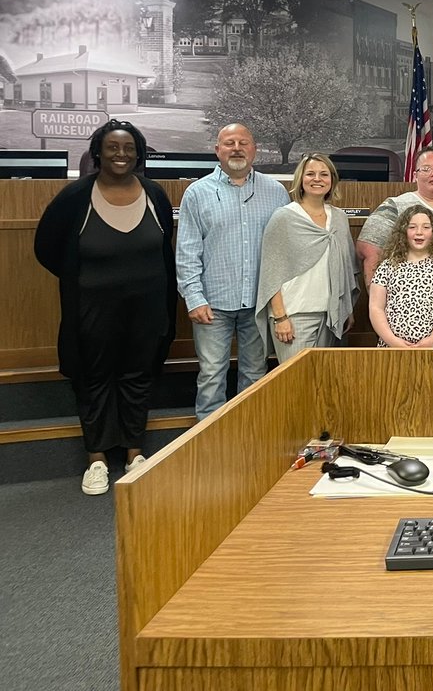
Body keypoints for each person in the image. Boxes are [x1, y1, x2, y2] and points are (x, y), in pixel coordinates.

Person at [34, 120, 177, 495]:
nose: (121, 154)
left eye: (129, 148)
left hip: (147, 308)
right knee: (93, 379)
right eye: (113, 147)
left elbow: (164, 247)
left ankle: (134, 454)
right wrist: (81, 278)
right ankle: (96, 459)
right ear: (97, 152)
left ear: (139, 153)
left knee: (138, 376)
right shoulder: (76, 196)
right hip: (92, 308)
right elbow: (46, 248)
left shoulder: (154, 194)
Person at [177, 123, 289, 421]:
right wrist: (194, 298)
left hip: (258, 303)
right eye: (229, 143)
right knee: (212, 375)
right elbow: (187, 252)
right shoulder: (197, 193)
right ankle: (210, 441)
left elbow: (284, 250)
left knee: (255, 374)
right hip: (212, 304)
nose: (237, 148)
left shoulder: (276, 192)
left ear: (254, 149)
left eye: (243, 143)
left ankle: (247, 437)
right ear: (218, 150)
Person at [256, 153, 359, 362]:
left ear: (332, 180)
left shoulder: (339, 218)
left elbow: (347, 268)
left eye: (324, 174)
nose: (317, 179)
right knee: (297, 380)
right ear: (301, 179)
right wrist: (280, 317)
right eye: (310, 173)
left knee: (326, 379)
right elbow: (270, 273)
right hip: (295, 316)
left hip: (331, 315)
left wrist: (346, 309)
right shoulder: (284, 217)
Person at [356, 148, 433, 286]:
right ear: (415, 175)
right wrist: (376, 296)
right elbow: (367, 249)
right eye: (426, 169)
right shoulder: (395, 205)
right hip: (412, 292)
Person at [369, 204, 433, 348]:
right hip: (393, 348)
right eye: (412, 227)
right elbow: (376, 308)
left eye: (426, 227)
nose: (419, 232)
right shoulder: (387, 265)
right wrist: (393, 342)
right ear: (403, 231)